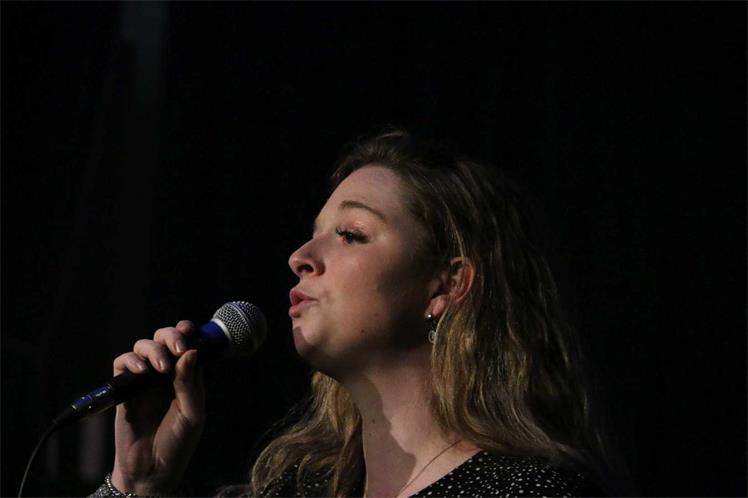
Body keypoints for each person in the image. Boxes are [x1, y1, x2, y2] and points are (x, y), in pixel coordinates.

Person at [92, 130, 622, 497]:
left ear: (446, 284)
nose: (300, 257)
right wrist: (136, 485)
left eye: (350, 234)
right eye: (315, 233)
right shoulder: (293, 490)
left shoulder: (530, 491)